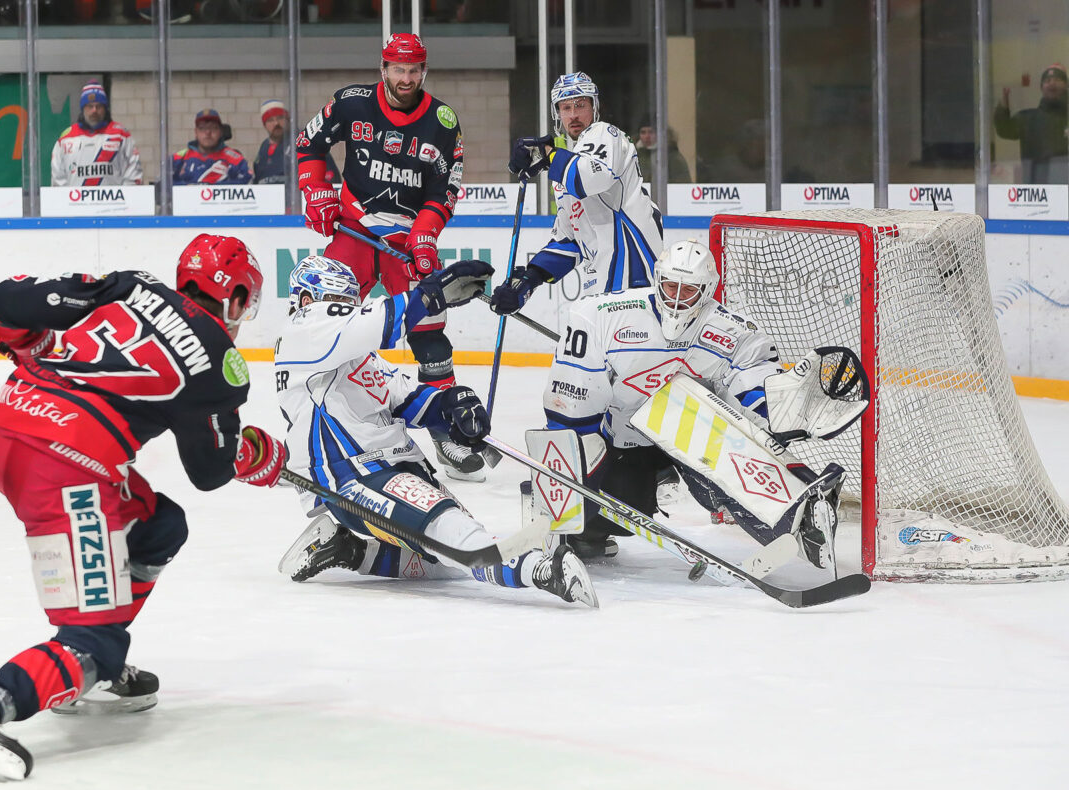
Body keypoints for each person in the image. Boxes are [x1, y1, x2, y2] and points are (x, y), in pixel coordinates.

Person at [0, 235, 286, 781]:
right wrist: (253, 453)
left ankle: (94, 655)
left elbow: (7, 301)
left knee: (161, 524)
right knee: (95, 644)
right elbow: (210, 471)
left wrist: (26, 345)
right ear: (233, 298)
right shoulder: (222, 365)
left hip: (12, 428)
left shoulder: (131, 285)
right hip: (67, 469)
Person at [273, 254, 597, 608]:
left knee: (445, 561)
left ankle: (348, 551)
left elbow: (404, 397)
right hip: (353, 475)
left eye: (353, 303)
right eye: (340, 303)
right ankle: (541, 570)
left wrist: (450, 406)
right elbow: (379, 321)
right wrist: (433, 292)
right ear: (305, 301)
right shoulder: (302, 333)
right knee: (452, 533)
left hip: (396, 465)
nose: (349, 310)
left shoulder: (355, 358)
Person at [534, 238, 841, 565]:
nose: (677, 298)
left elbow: (753, 379)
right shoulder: (601, 316)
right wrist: (572, 484)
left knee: (707, 427)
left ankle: (799, 515)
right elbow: (571, 405)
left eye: (688, 290)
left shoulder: (730, 330)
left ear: (707, 290)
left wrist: (776, 414)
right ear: (657, 279)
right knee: (623, 501)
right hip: (621, 441)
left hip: (687, 430)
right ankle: (586, 534)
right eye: (670, 286)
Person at [295, 34, 479, 481]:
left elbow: (445, 190)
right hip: (354, 228)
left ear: (423, 72)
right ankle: (309, 412)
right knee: (326, 318)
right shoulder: (350, 103)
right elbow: (308, 145)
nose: (406, 78)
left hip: (406, 236)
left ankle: (444, 429)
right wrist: (317, 190)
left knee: (428, 323)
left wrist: (424, 237)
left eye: (415, 71)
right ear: (383, 69)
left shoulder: (442, 120)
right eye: (399, 70)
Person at [496, 71, 662, 314]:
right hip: (601, 289)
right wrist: (529, 281)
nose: (573, 115)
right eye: (565, 107)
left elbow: (592, 176)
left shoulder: (605, 134)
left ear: (594, 108)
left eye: (580, 105)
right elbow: (569, 240)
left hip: (634, 281)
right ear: (557, 114)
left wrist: (549, 155)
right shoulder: (564, 173)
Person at [51, 82, 144, 187]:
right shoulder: (66, 138)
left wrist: (124, 200)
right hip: (76, 202)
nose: (94, 110)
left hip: (114, 202)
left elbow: (133, 174)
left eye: (99, 106)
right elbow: (58, 180)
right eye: (90, 106)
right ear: (83, 108)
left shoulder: (121, 135)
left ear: (105, 108)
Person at [994, 62, 1069, 184]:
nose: (1052, 83)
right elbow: (1005, 130)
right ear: (1041, 87)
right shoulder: (1028, 119)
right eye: (1048, 80)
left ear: (1066, 85)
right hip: (1036, 192)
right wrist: (1003, 105)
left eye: (1057, 79)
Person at [253, 99, 339, 185]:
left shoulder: (306, 140)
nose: (276, 123)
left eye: (280, 118)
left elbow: (331, 177)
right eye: (270, 120)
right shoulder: (264, 148)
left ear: (288, 119)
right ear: (264, 125)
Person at [172, 108, 253, 185]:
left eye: (213, 128)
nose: (208, 132)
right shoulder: (178, 159)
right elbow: (164, 188)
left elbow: (248, 184)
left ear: (220, 132)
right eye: (202, 128)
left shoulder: (236, 160)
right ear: (196, 132)